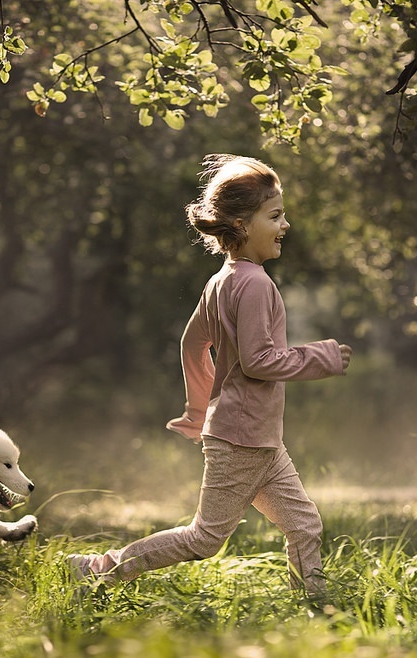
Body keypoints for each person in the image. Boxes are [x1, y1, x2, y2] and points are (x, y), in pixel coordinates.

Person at [68, 155, 352, 596]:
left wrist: (201, 410)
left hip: (256, 437)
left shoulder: (220, 281)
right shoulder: (256, 284)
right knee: (204, 539)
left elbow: (191, 344)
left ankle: (317, 605)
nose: (286, 225)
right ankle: (99, 569)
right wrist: (322, 358)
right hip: (242, 439)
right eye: (275, 216)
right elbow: (259, 360)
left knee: (304, 524)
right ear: (240, 224)